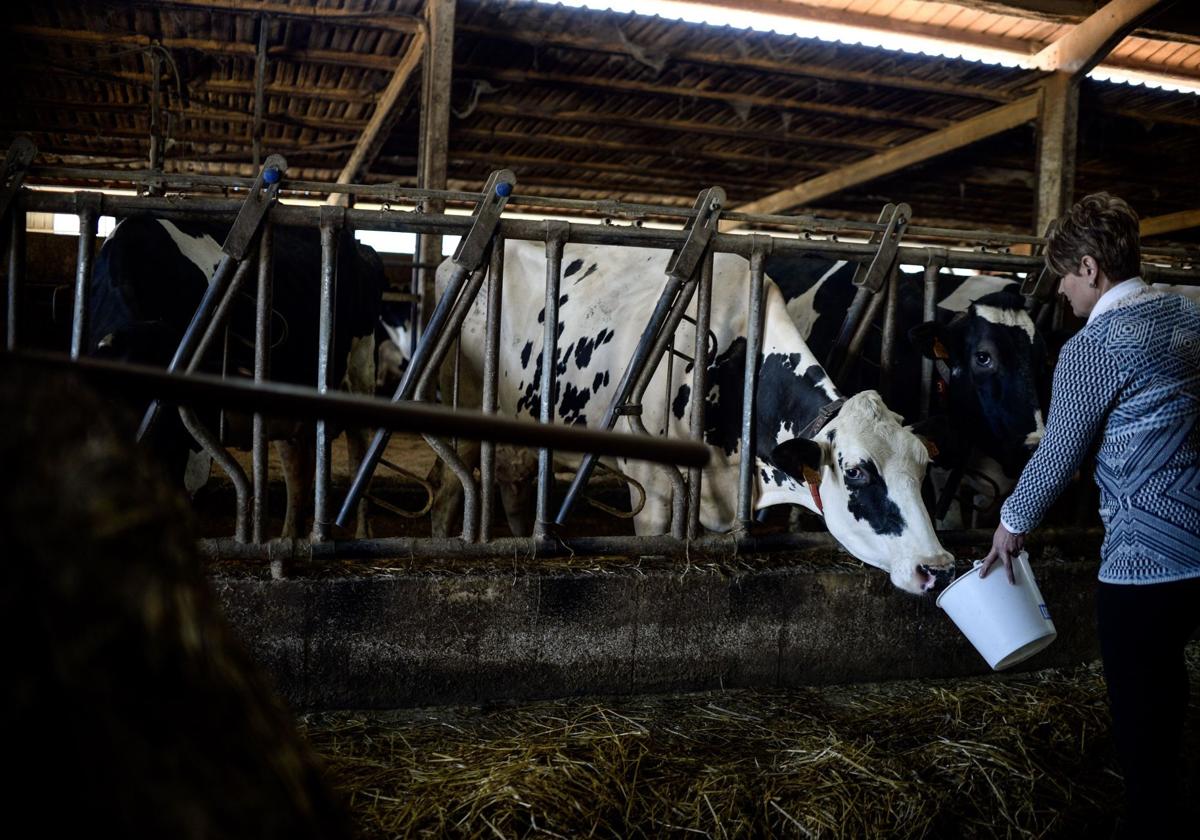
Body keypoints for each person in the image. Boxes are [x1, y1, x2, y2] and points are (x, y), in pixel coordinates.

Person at [979, 192, 1200, 835]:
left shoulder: (1094, 345)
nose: (1064, 293)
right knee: (1173, 685)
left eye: (1065, 278)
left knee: (1139, 707)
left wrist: (1010, 526)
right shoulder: (1189, 317)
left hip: (1144, 562)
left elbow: (1058, 455)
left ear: (1090, 268)